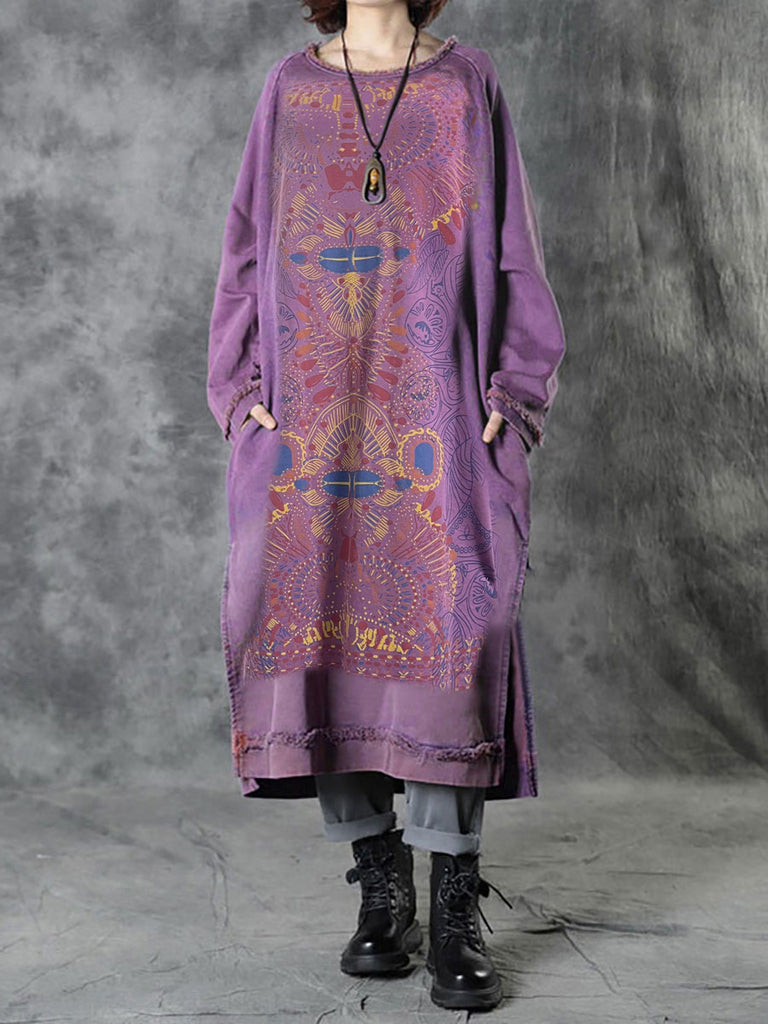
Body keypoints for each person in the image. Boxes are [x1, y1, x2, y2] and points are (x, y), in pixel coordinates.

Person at [206, 0, 566, 1011]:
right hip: (312, 423)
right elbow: (245, 247)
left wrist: (514, 389)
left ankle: (452, 903)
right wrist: (240, 387)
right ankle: (382, 890)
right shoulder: (291, 88)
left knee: (456, 630)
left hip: (438, 417)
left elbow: (513, 246)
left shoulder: (464, 83)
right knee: (317, 635)